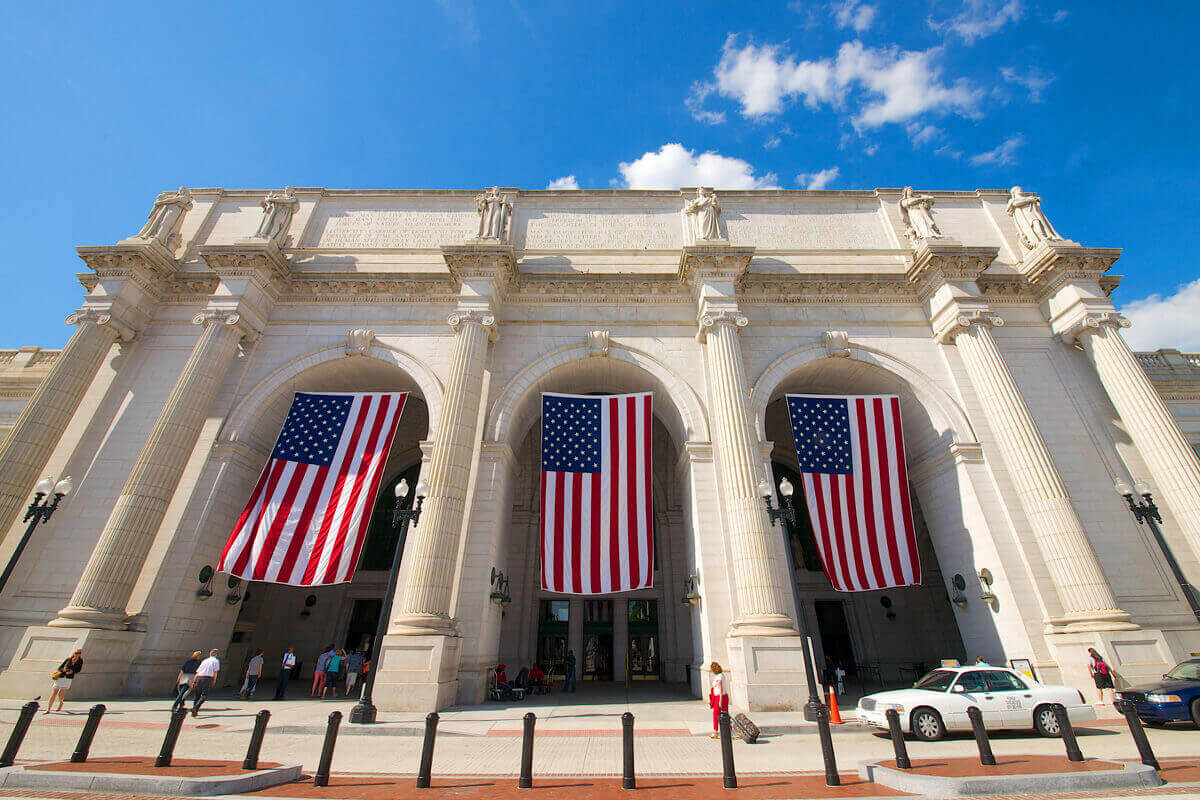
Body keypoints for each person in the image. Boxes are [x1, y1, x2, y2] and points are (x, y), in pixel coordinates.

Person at [47, 649, 84, 713]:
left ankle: (61, 703)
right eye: (76, 653)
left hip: (68, 678)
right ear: (73, 653)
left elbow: (78, 670)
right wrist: (64, 670)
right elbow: (60, 668)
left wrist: (72, 671)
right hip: (61, 677)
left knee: (61, 694)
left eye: (79, 653)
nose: (77, 654)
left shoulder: (80, 661)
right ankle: (48, 709)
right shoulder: (68, 659)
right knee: (54, 693)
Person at [190, 649, 220, 717]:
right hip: (207, 678)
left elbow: (197, 672)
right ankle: (195, 708)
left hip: (199, 678)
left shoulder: (204, 661)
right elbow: (215, 672)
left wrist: (194, 681)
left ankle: (194, 711)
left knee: (197, 695)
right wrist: (214, 680)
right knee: (204, 695)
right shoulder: (216, 661)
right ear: (216, 655)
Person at [709, 662, 729, 738]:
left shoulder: (718, 678)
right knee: (726, 714)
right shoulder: (722, 675)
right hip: (724, 696)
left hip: (719, 697)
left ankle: (715, 731)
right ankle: (729, 731)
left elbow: (720, 689)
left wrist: (720, 700)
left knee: (716, 714)